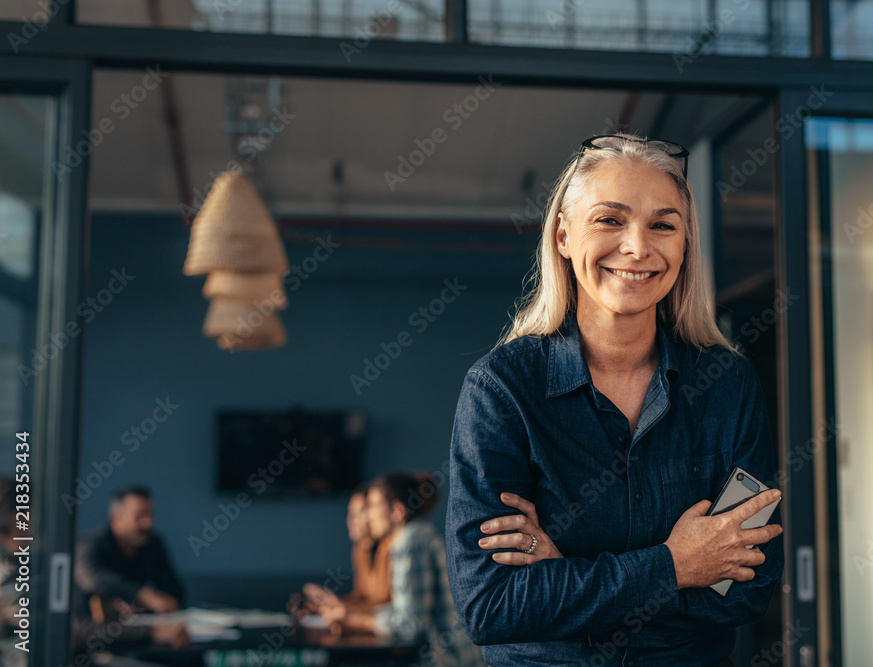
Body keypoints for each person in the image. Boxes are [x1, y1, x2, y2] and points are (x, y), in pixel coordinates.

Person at [445, 133, 785, 665]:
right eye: (609, 219)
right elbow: (492, 605)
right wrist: (677, 565)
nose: (638, 247)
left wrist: (565, 585)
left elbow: (747, 590)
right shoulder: (502, 390)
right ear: (563, 234)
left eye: (663, 225)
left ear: (685, 244)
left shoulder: (727, 384)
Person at [306, 472, 484, 667]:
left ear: (397, 511)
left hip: (446, 660)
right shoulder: (418, 534)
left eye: (373, 506)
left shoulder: (410, 541)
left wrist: (352, 620)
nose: (368, 515)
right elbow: (403, 610)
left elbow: (412, 625)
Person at [75, 486, 186, 616]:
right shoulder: (91, 544)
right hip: (94, 630)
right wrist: (141, 594)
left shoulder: (152, 545)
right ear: (116, 519)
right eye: (139, 516)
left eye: (150, 515)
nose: (148, 523)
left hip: (138, 628)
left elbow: (174, 591)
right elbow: (92, 579)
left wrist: (145, 604)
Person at [294, 485, 391, 620]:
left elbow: (386, 605)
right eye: (350, 513)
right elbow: (362, 598)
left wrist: (339, 607)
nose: (351, 521)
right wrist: (326, 602)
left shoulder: (391, 548)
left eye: (359, 513)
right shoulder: (360, 550)